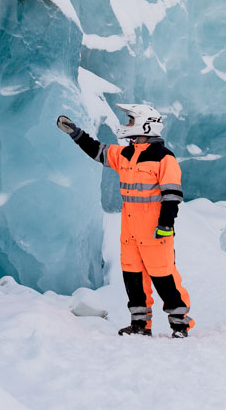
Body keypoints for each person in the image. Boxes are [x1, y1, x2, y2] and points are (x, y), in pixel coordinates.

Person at [56, 104, 193, 337]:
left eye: (131, 121)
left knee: (164, 277)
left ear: (145, 124)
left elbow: (172, 195)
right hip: (130, 232)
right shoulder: (126, 154)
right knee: (133, 278)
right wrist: (75, 133)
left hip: (155, 230)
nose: (127, 124)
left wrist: (166, 225)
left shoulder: (164, 158)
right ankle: (140, 325)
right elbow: (98, 151)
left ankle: (179, 324)